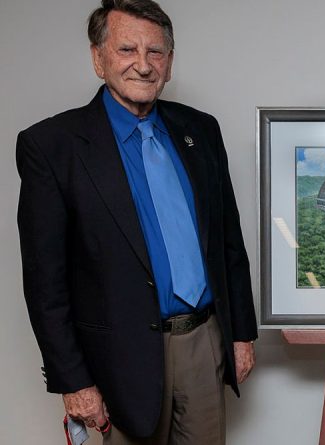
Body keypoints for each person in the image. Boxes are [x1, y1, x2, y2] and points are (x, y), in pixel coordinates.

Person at [16, 0, 257, 443]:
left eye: (156, 52)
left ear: (170, 62)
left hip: (204, 342)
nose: (143, 66)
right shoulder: (51, 147)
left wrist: (241, 333)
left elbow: (227, 241)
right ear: (98, 58)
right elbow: (44, 281)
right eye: (127, 49)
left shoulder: (201, 130)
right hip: (116, 358)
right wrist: (73, 381)